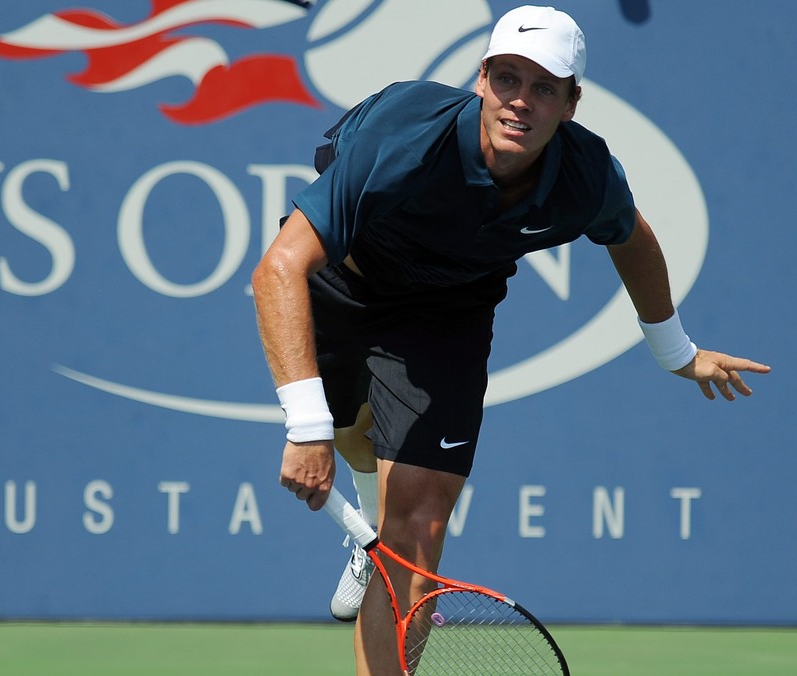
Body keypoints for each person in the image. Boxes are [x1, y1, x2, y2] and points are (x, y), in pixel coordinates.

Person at [250, 5, 770, 674]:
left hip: (449, 312)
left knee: (420, 528)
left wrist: (676, 350)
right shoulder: (403, 137)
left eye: (544, 87)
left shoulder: (584, 174)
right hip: (346, 287)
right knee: (350, 434)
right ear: (482, 79)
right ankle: (368, 511)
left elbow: (632, 238)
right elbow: (279, 268)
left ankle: (387, 548)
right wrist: (305, 425)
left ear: (571, 103)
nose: (520, 101)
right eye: (507, 78)